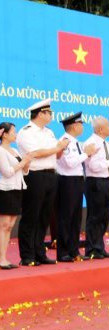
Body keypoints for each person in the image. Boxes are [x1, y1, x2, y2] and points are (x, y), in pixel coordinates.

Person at [17, 99, 69, 266]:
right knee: (31, 215)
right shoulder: (26, 132)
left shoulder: (49, 133)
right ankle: (27, 255)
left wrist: (61, 148)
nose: (51, 115)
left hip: (51, 175)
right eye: (49, 112)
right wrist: (57, 148)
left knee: (45, 216)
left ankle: (40, 252)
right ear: (40, 114)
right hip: (35, 176)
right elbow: (36, 153)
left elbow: (55, 154)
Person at [56, 112, 97, 262]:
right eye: (80, 124)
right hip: (67, 181)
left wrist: (89, 154)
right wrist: (87, 154)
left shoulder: (77, 142)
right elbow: (70, 163)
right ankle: (63, 252)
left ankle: (73, 250)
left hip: (78, 180)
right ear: (74, 126)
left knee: (76, 217)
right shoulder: (65, 141)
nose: (82, 127)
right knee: (66, 217)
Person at [83, 117, 109, 259]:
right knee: (95, 216)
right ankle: (92, 249)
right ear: (100, 129)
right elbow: (93, 166)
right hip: (95, 182)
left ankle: (99, 247)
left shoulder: (106, 143)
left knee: (104, 215)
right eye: (108, 126)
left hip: (106, 180)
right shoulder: (92, 143)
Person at [0, 122, 31, 269]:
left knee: (10, 225)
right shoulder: (1, 151)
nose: (15, 134)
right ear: (4, 134)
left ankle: (4, 258)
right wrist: (22, 163)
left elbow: (24, 172)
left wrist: (26, 164)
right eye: (13, 131)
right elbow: (7, 172)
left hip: (18, 188)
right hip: (6, 190)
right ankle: (1, 259)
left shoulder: (15, 151)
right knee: (4, 225)